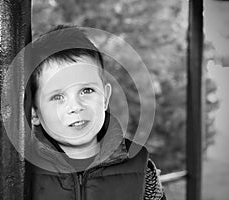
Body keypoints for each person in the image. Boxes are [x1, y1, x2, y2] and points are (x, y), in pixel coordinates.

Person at [24, 24, 166, 200]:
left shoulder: (142, 168)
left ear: (105, 98)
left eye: (87, 91)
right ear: (35, 113)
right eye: (58, 97)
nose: (76, 106)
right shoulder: (21, 169)